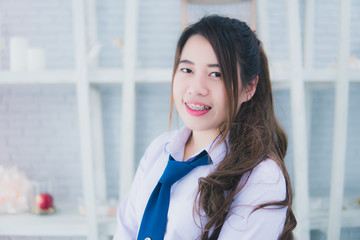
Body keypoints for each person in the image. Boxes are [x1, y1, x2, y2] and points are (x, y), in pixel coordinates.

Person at [114, 15, 296, 240]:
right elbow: (127, 230)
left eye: (216, 74)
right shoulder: (159, 149)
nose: (196, 88)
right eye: (187, 70)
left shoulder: (261, 177)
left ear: (249, 87)